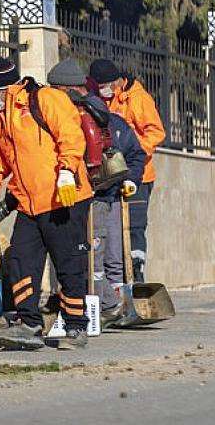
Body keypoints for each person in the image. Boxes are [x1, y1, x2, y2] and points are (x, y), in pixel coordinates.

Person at [0, 57, 93, 351]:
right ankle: (28, 324)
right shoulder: (1, 121)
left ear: (9, 88)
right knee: (22, 260)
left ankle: (75, 328)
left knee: (69, 264)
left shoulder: (46, 99)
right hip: (29, 203)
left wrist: (66, 172)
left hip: (64, 198)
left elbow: (71, 136)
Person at [46, 59, 146, 327]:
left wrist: (132, 180)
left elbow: (137, 153)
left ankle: (110, 305)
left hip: (105, 197)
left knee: (106, 256)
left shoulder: (114, 124)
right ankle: (94, 305)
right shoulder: (58, 120)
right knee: (83, 256)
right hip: (71, 198)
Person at [89, 59, 165, 282]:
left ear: (118, 81)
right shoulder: (102, 99)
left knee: (135, 226)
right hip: (110, 175)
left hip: (138, 175)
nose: (104, 90)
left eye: (108, 85)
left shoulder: (138, 99)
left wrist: (133, 153)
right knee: (113, 230)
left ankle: (137, 273)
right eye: (100, 85)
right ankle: (118, 278)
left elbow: (156, 132)